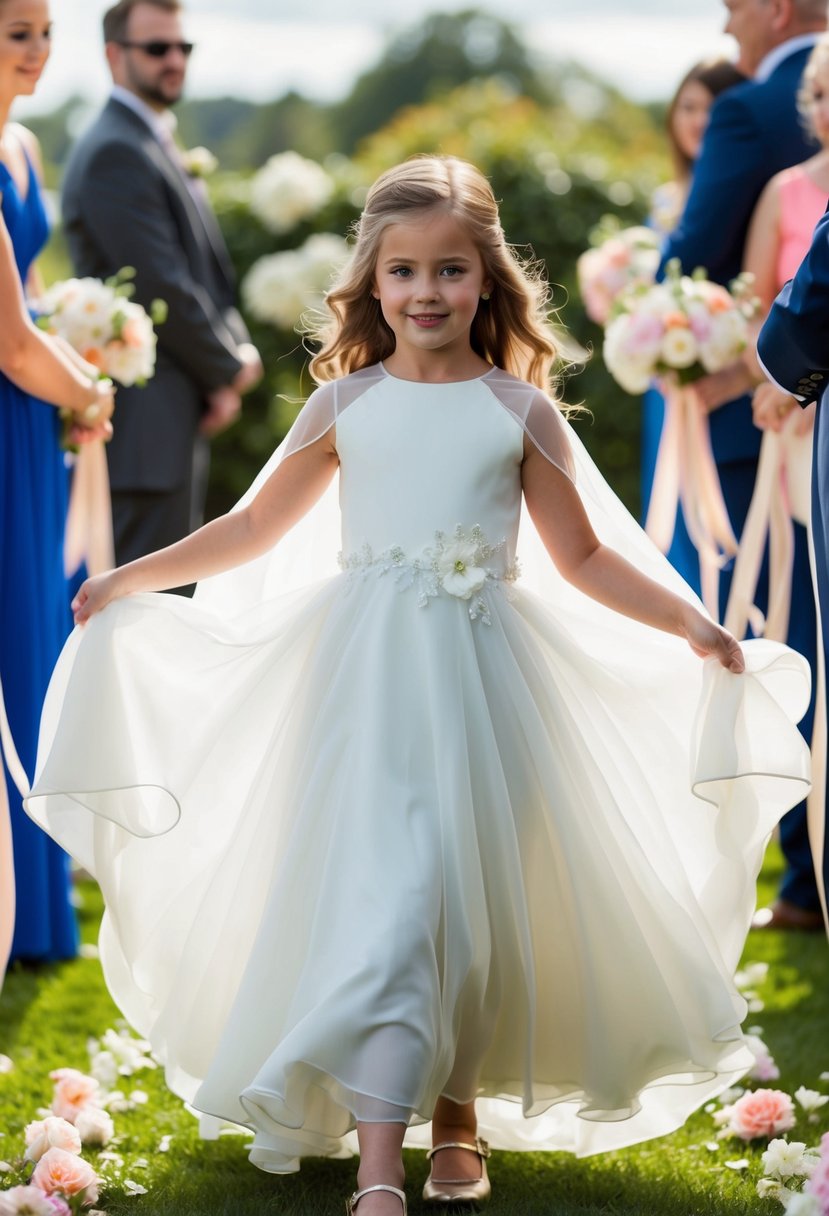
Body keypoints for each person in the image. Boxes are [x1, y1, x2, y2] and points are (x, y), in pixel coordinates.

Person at [25, 158, 809, 1214]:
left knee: (467, 907)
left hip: (489, 693)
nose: (425, 293)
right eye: (403, 272)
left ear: (488, 281)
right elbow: (255, 525)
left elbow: (580, 558)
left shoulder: (515, 411)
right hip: (363, 690)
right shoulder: (345, 404)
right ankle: (379, 1160)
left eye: (449, 270)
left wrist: (690, 622)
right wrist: (132, 574)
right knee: (387, 907)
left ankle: (457, 1119)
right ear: (373, 283)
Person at [61, 0, 262, 577]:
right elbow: (161, 285)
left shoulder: (149, 138)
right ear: (113, 55)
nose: (174, 60)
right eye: (157, 48)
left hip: (167, 418)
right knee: (139, 611)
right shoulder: (115, 150)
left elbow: (204, 268)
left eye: (182, 47)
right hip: (142, 428)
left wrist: (231, 355)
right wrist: (229, 367)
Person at [0, 0, 115, 967]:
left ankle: (36, 910)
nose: (38, 50)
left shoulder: (26, 144)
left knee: (32, 634)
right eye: (16, 33)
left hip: (28, 420)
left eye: (43, 30)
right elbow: (8, 338)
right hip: (11, 408)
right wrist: (90, 388)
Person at [659, 0, 825, 620]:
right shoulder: (783, 182)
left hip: (752, 406)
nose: (727, 26)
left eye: (732, 8)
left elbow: (690, 258)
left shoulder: (745, 109)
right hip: (774, 391)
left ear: (776, 10)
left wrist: (650, 306)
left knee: (762, 604)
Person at [725, 33, 829, 932]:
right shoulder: (786, 191)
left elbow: (797, 321)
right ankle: (803, 873)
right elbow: (758, 302)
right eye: (821, 95)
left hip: (805, 400)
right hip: (788, 429)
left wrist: (787, 374)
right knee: (797, 633)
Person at [642, 57, 744, 595]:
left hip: (722, 381)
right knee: (665, 506)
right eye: (688, 106)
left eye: (713, 108)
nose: (700, 120)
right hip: (665, 383)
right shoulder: (663, 200)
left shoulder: (742, 197)